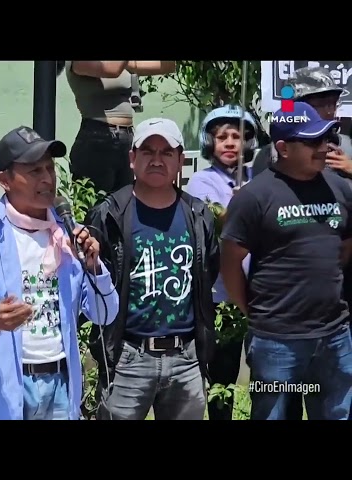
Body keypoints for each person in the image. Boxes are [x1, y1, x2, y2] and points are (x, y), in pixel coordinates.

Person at [0, 126, 119, 420]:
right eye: (34, 171)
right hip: (1, 389)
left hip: (61, 385)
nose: (47, 179)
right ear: (4, 180)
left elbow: (104, 314)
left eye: (50, 168)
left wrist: (96, 268)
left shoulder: (68, 238)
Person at [221, 102, 352, 420]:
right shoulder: (254, 197)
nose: (324, 147)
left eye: (325, 138)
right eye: (312, 141)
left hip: (335, 335)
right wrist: (251, 311)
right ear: (283, 148)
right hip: (276, 340)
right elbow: (229, 263)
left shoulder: (341, 189)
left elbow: (346, 247)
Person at [86, 118, 220, 421]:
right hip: (129, 358)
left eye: (167, 152)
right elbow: (92, 286)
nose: (157, 160)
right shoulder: (109, 214)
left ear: (180, 161)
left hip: (186, 359)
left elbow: (208, 271)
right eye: (147, 151)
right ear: (132, 158)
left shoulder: (198, 215)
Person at [185, 105, 259, 420]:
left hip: (262, 295)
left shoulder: (262, 176)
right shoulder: (201, 182)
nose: (230, 143)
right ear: (208, 142)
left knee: (267, 379)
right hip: (222, 300)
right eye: (222, 137)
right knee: (222, 379)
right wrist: (241, 202)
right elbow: (214, 223)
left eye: (237, 137)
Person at [64, 61, 176, 194]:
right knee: (95, 208)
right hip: (97, 139)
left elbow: (167, 66)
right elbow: (112, 70)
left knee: (123, 208)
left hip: (126, 139)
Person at [252, 66, 352, 179]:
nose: (329, 111)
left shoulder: (346, 147)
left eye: (332, 103)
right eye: (320, 104)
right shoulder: (270, 155)